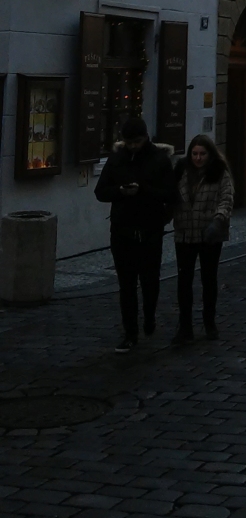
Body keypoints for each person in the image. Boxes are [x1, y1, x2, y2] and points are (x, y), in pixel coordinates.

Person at [95, 115, 176, 353]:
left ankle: (149, 317)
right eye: (129, 142)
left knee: (150, 281)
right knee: (126, 285)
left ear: (145, 138)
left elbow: (170, 194)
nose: (133, 146)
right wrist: (120, 191)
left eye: (137, 142)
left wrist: (144, 191)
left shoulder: (159, 160)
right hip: (122, 230)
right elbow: (101, 191)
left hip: (150, 229)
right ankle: (130, 332)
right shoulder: (116, 160)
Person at [171, 134, 234, 344]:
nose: (198, 158)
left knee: (208, 279)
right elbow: (172, 197)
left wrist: (217, 222)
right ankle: (185, 326)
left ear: (210, 155)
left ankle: (209, 322)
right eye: (195, 154)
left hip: (209, 234)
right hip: (185, 232)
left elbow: (226, 199)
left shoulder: (219, 173)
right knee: (184, 281)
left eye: (202, 154)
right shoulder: (181, 171)